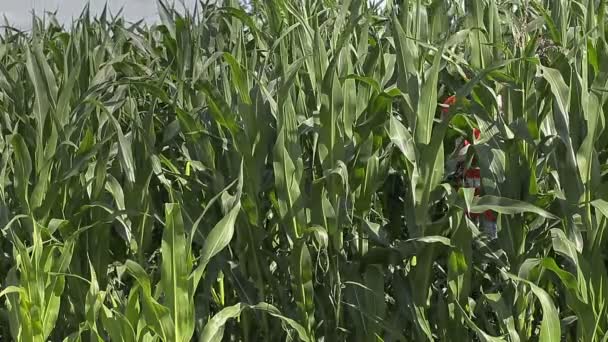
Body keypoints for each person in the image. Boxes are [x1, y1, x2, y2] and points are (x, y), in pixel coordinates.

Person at [441, 95, 497, 239]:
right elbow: (453, 156)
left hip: (487, 201)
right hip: (464, 199)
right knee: (467, 241)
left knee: (489, 240)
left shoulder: (484, 114)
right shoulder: (452, 102)